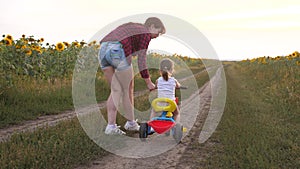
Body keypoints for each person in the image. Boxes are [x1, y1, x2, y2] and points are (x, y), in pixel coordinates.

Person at [98, 17, 166, 135]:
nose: (157, 35)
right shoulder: (145, 33)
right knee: (128, 88)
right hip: (117, 50)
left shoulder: (134, 27)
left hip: (103, 49)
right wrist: (148, 82)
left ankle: (111, 126)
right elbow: (142, 59)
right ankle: (131, 124)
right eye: (158, 31)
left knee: (115, 89)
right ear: (151, 26)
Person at [150, 58, 182, 123]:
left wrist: (155, 87)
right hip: (171, 102)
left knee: (153, 111)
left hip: (160, 102)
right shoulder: (174, 80)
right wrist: (177, 86)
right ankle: (175, 125)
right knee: (177, 113)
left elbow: (155, 87)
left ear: (160, 70)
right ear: (172, 70)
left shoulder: (158, 80)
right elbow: (179, 86)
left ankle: (151, 124)